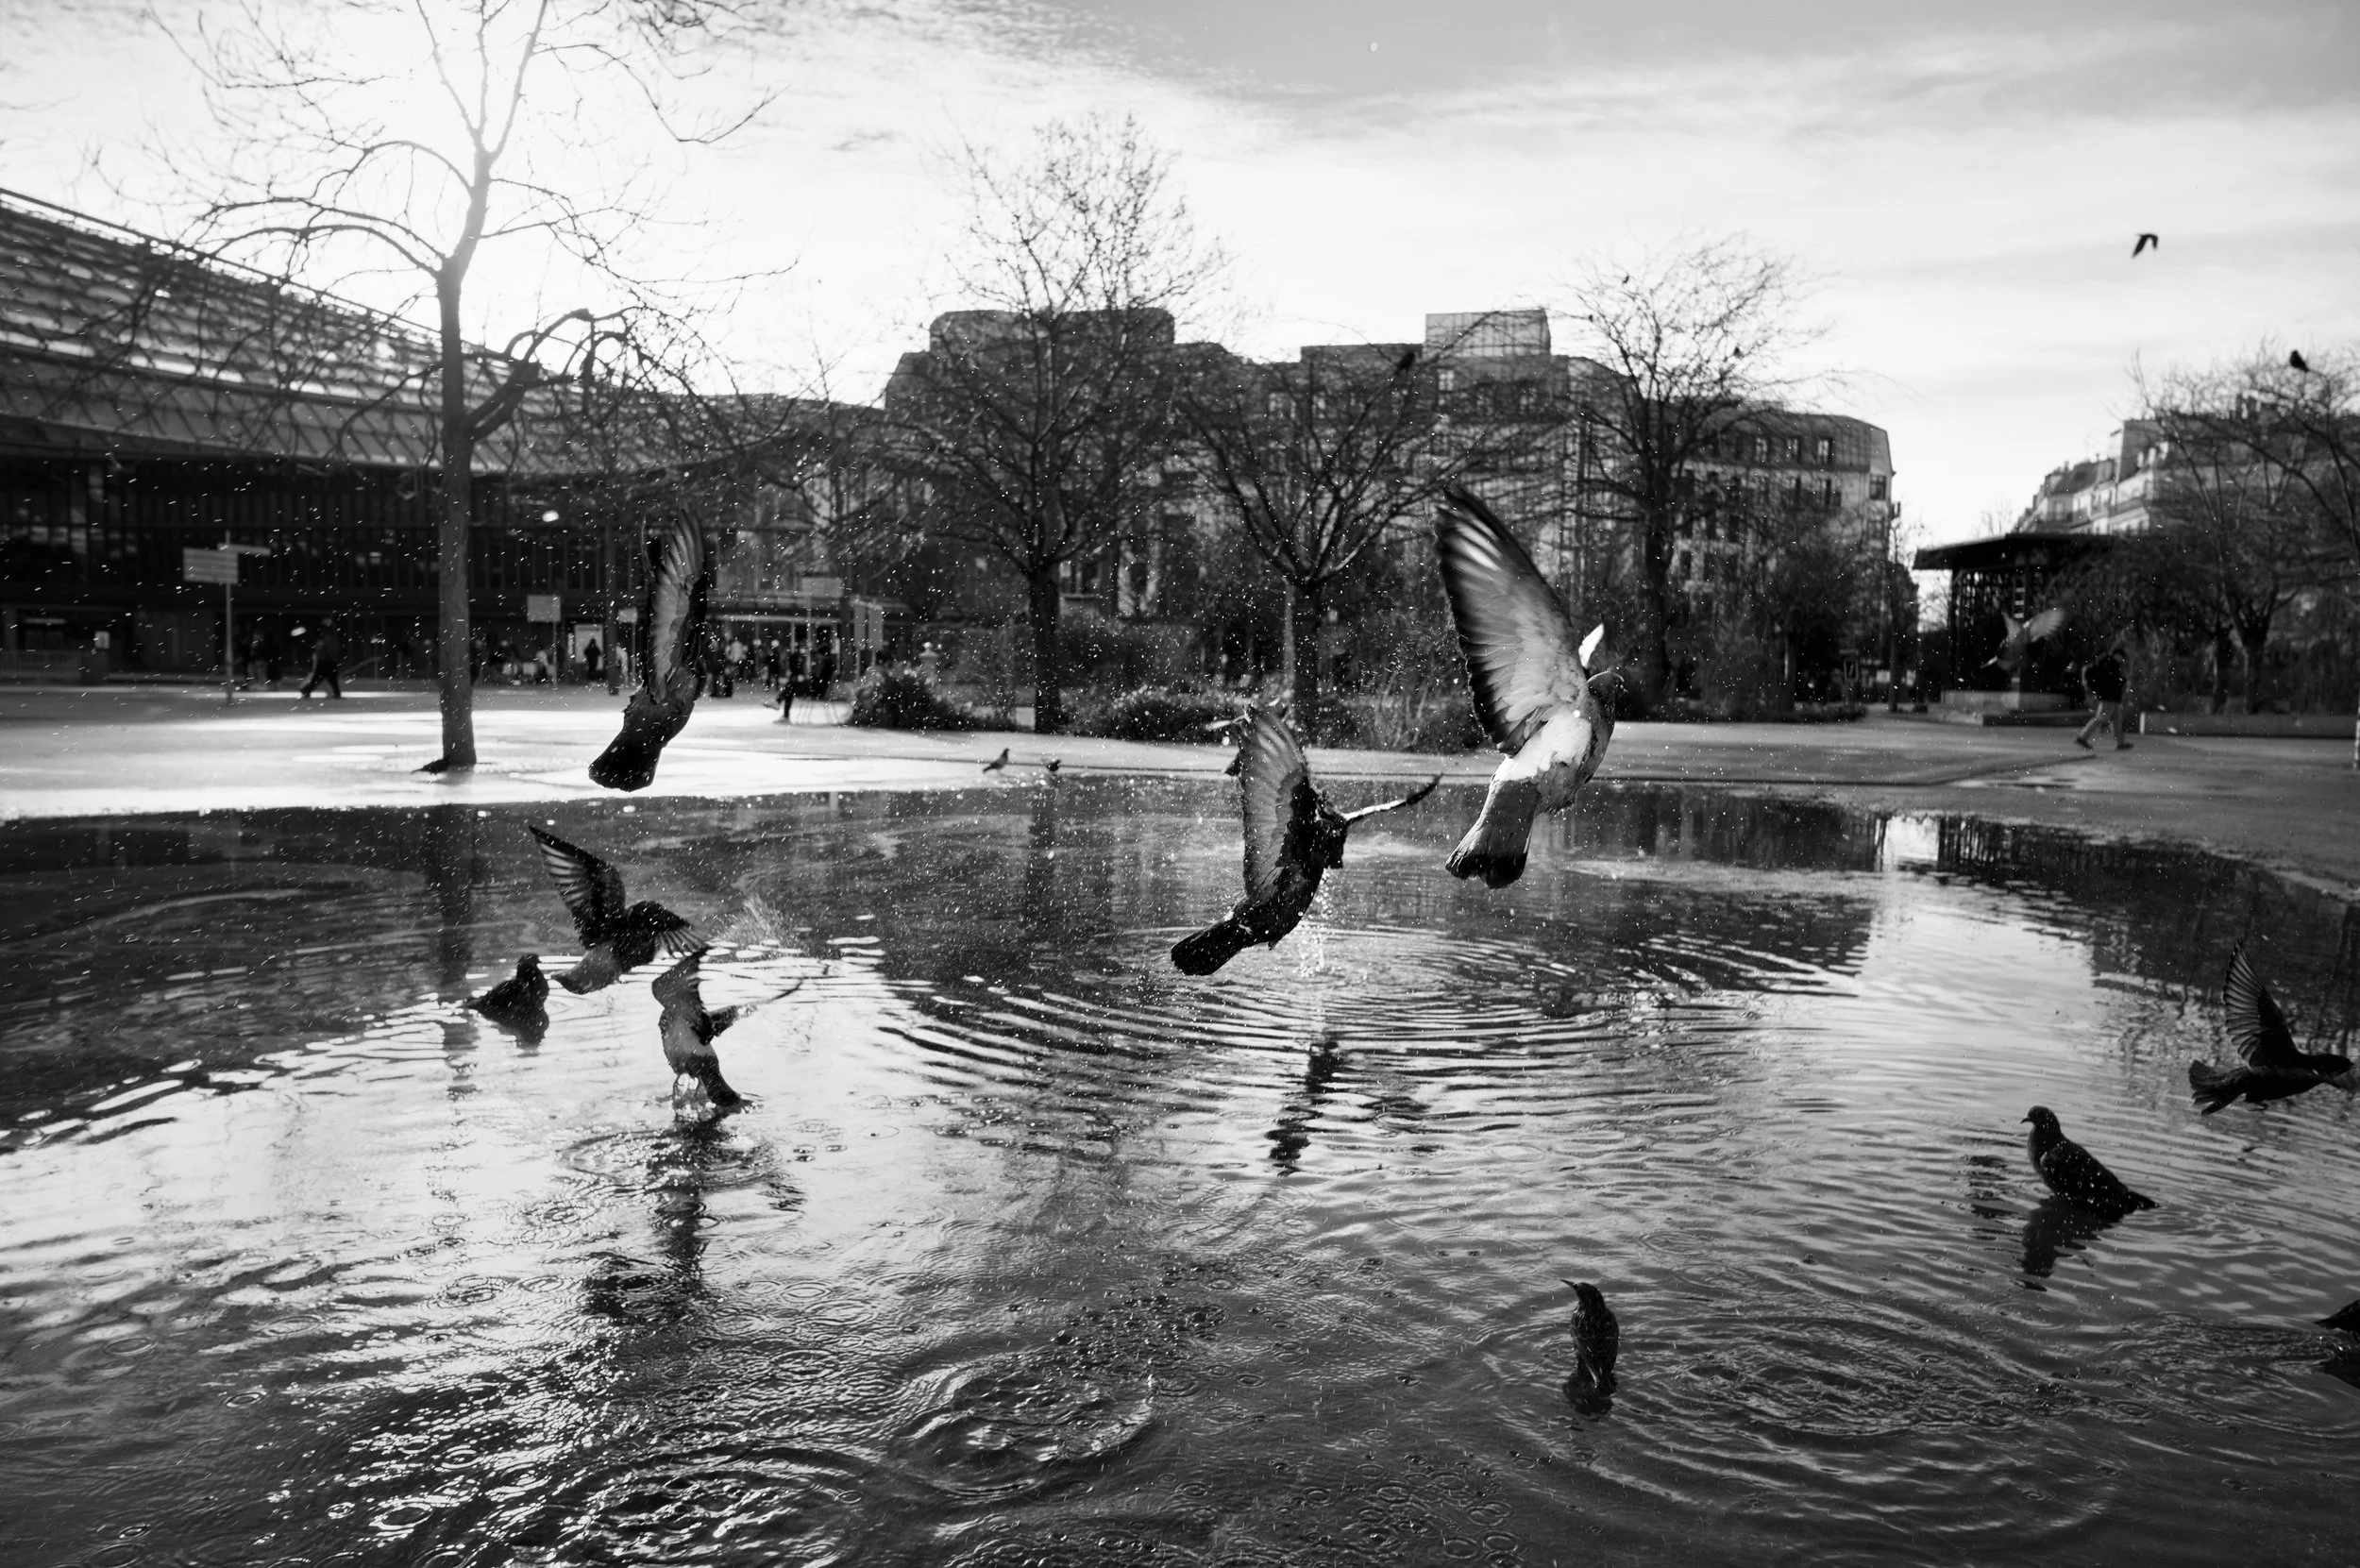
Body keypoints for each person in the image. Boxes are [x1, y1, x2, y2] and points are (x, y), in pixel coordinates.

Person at [2076, 636, 2132, 751]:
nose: (2122, 660)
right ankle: (2083, 737)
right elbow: (2109, 682)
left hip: (2114, 698)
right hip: (2108, 697)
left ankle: (2120, 742)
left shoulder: (2112, 665)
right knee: (2101, 718)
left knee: (2117, 721)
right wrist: (2121, 680)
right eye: (2121, 657)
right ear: (2117, 655)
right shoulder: (2108, 664)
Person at [299, 621, 344, 700]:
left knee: (322, 678)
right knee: (328, 678)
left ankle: (306, 690)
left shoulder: (325, 638)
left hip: (326, 661)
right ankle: (307, 690)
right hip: (327, 661)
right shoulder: (329, 638)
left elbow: (320, 650)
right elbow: (328, 650)